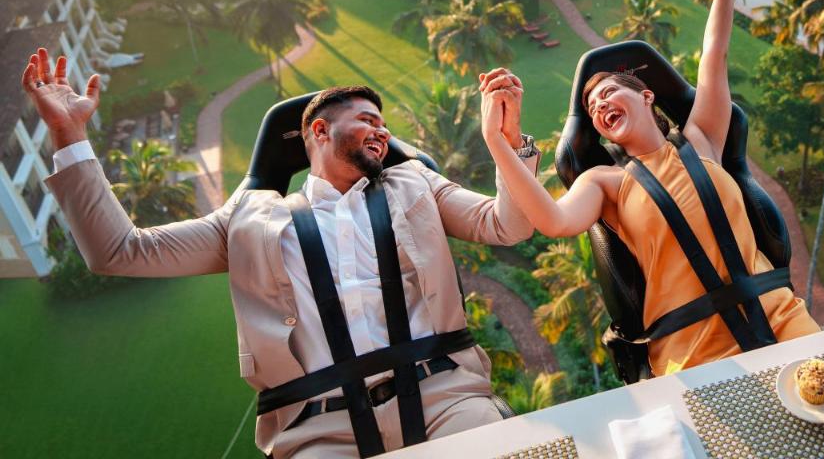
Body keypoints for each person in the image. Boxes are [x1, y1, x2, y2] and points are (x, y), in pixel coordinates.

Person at [21, 51, 539, 458]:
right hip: (318, 431)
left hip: (446, 399)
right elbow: (119, 251)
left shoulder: (416, 184)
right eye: (366, 118)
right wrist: (69, 135)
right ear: (318, 130)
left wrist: (506, 141)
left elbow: (507, 224)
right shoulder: (247, 220)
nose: (383, 131)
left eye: (384, 123)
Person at [481, 0, 820, 377]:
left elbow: (713, 54)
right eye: (590, 105)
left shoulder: (702, 140)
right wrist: (496, 142)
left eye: (608, 92)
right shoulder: (604, 183)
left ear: (646, 96)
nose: (598, 103)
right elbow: (553, 220)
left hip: (780, 318)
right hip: (693, 350)